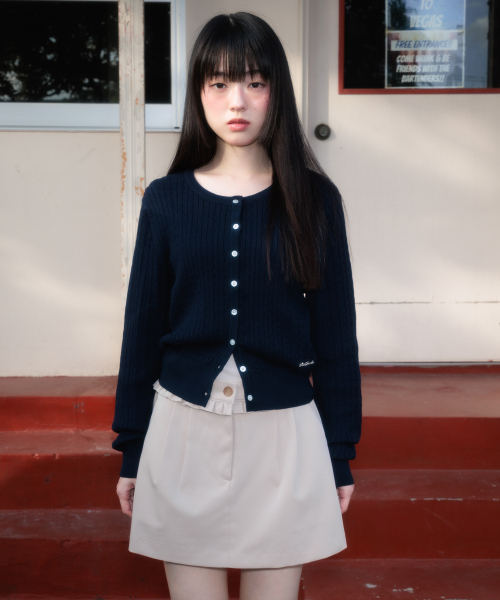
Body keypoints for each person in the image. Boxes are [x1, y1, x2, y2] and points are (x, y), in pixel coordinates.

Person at [111, 11, 362, 600]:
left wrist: (339, 452)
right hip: (181, 435)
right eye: (219, 83)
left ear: (277, 91)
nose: (237, 101)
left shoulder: (315, 201)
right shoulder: (166, 201)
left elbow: (335, 336)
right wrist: (132, 448)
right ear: (198, 93)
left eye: (255, 81)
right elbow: (141, 331)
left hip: (285, 440)